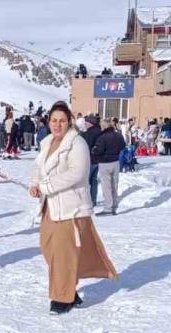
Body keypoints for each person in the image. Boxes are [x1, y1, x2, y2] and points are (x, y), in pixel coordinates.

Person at [29, 101, 118, 314]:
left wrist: (47, 186)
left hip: (71, 207)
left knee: (63, 253)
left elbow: (77, 173)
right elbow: (39, 168)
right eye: (54, 120)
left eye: (62, 120)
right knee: (48, 248)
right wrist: (35, 184)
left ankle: (62, 298)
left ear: (69, 121)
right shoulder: (47, 142)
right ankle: (68, 288)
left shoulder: (77, 143)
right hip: (50, 206)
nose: (57, 124)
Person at [94, 118, 126, 215]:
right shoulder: (118, 135)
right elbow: (123, 146)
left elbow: (99, 150)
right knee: (114, 186)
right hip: (115, 161)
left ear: (103, 126)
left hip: (105, 163)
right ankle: (114, 206)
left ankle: (108, 208)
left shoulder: (102, 137)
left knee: (106, 187)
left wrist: (94, 151)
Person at [80, 115, 101, 207]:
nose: (85, 124)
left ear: (90, 123)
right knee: (94, 181)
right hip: (97, 160)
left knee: (85, 182)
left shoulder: (89, 133)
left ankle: (85, 201)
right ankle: (93, 200)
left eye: (86, 122)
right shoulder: (100, 132)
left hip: (90, 160)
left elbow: (86, 147)